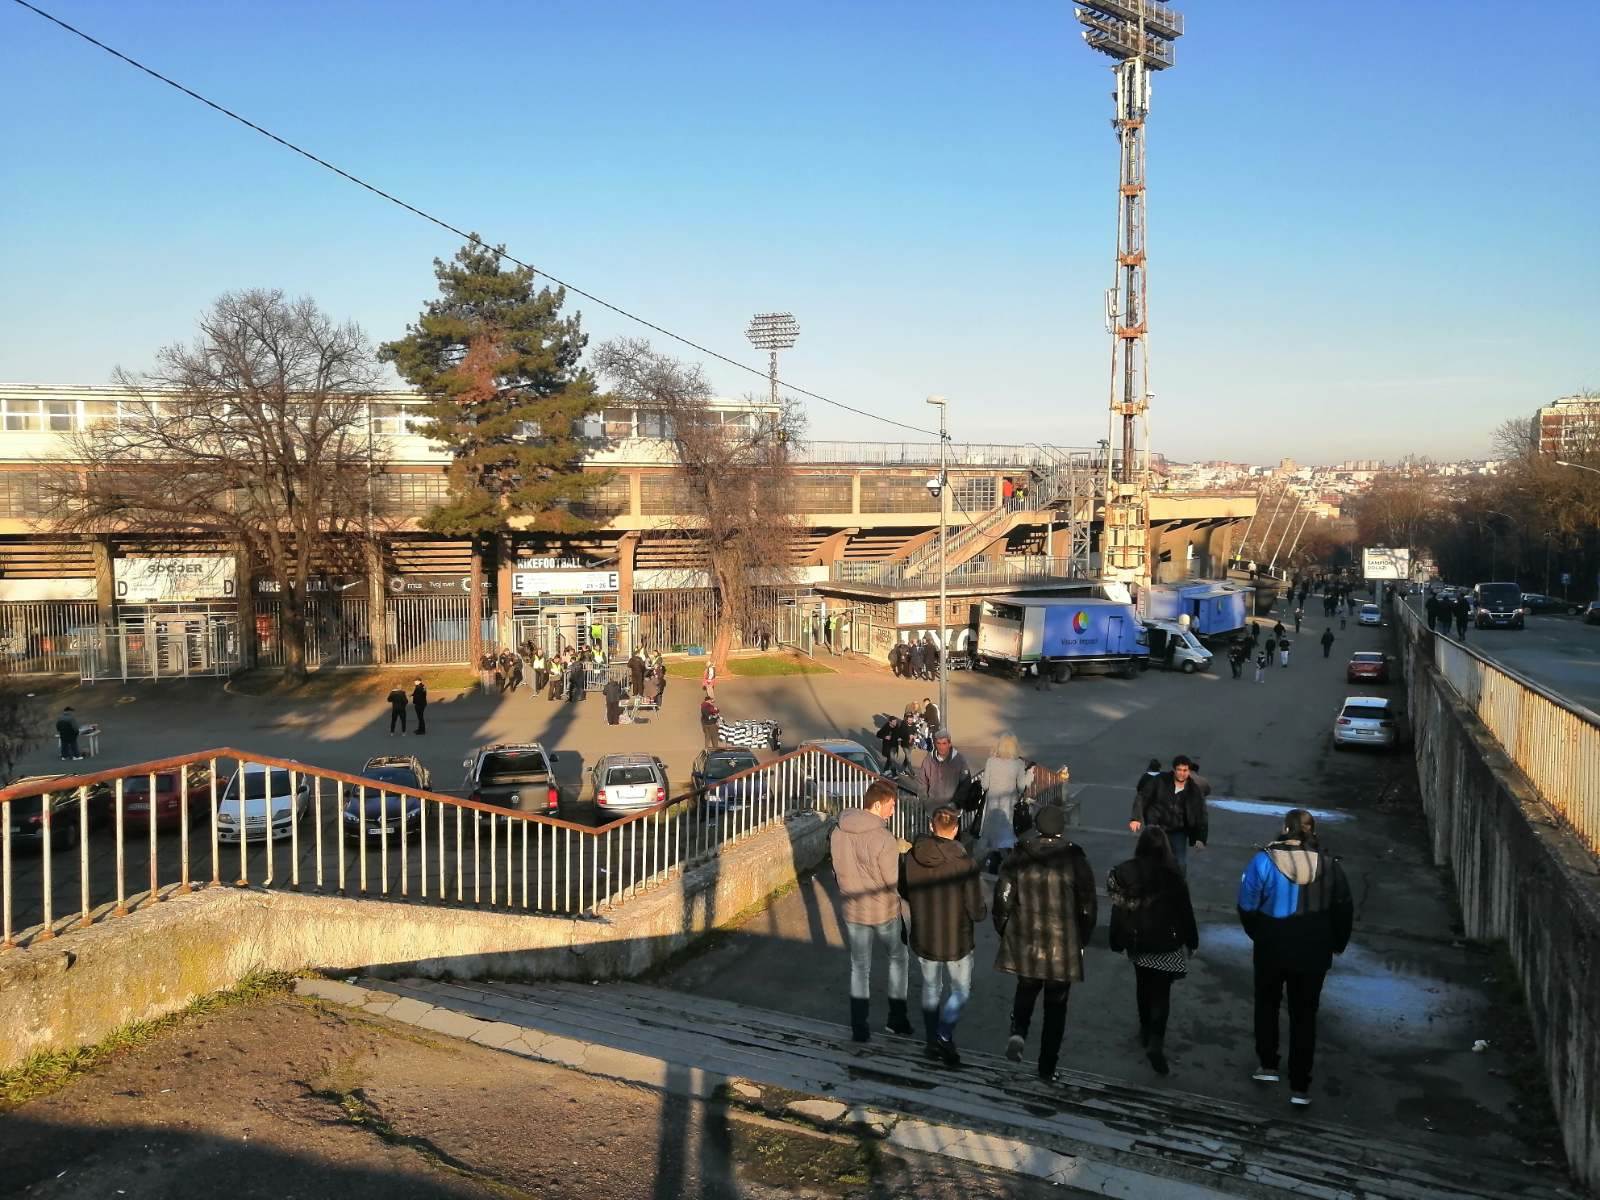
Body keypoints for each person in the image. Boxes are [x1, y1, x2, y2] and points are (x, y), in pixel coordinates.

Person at [1237, 809, 1354, 1107]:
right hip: (1314, 950)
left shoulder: (1264, 860)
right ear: (1313, 832)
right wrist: (1336, 944)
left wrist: (1258, 934)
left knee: (1267, 1004)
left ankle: (1268, 1065)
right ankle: (1300, 1085)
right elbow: (1343, 909)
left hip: (1271, 946)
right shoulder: (1329, 866)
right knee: (1305, 1015)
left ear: (1284, 829)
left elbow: (1247, 905)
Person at [992, 802, 1097, 1083]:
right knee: (1056, 1006)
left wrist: (1005, 930)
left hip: (1026, 936)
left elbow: (1002, 898)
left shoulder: (1019, 854)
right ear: (1061, 828)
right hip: (1062, 943)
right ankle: (1047, 1067)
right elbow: (1087, 906)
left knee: (1026, 988)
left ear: (1037, 826)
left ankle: (1018, 1032)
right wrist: (1081, 939)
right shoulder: (1076, 859)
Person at [899, 806, 986, 1066]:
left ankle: (931, 1041)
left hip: (924, 936)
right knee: (960, 990)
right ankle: (943, 1034)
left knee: (930, 989)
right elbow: (976, 910)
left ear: (931, 826)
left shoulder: (910, 858)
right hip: (956, 940)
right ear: (957, 829)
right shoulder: (964, 864)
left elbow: (904, 890)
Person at [1108, 827, 1199, 1075]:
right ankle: (1155, 1040)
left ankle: (1145, 1028)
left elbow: (1119, 908)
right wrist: (1192, 941)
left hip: (1138, 940)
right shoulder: (1174, 874)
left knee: (1143, 984)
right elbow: (1185, 910)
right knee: (1162, 993)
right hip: (1166, 942)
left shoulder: (1124, 871)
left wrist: (1116, 940)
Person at [831, 780, 913, 1042]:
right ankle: (896, 1019)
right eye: (891, 805)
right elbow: (892, 884)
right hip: (883, 912)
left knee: (859, 967)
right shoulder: (884, 839)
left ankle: (859, 1027)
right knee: (899, 959)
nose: (893, 810)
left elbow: (836, 870)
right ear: (877, 804)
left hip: (852, 909)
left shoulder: (838, 831)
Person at [1128, 754, 1209, 875]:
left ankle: (1178, 886)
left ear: (1189, 771)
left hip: (1178, 831)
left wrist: (1200, 839)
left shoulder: (1194, 790)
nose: (1182, 773)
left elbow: (1201, 814)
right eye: (1179, 770)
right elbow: (1142, 796)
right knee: (1151, 858)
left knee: (1180, 863)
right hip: (1157, 827)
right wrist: (1136, 818)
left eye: (1185, 770)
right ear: (1174, 770)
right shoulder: (1160, 781)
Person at [976, 733, 1032, 874]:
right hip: (1008, 807)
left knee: (992, 838)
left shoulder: (991, 761)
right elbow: (1020, 787)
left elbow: (984, 785)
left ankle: (992, 865)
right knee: (1007, 837)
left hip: (992, 807)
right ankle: (1007, 867)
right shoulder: (1019, 764)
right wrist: (1029, 776)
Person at [915, 729, 970, 810]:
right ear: (935, 744)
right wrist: (925, 800)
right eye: (938, 743)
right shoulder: (928, 760)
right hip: (933, 808)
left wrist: (956, 803)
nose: (941, 747)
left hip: (952, 809)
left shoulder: (959, 760)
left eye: (944, 743)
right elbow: (922, 781)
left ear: (949, 744)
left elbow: (965, 783)